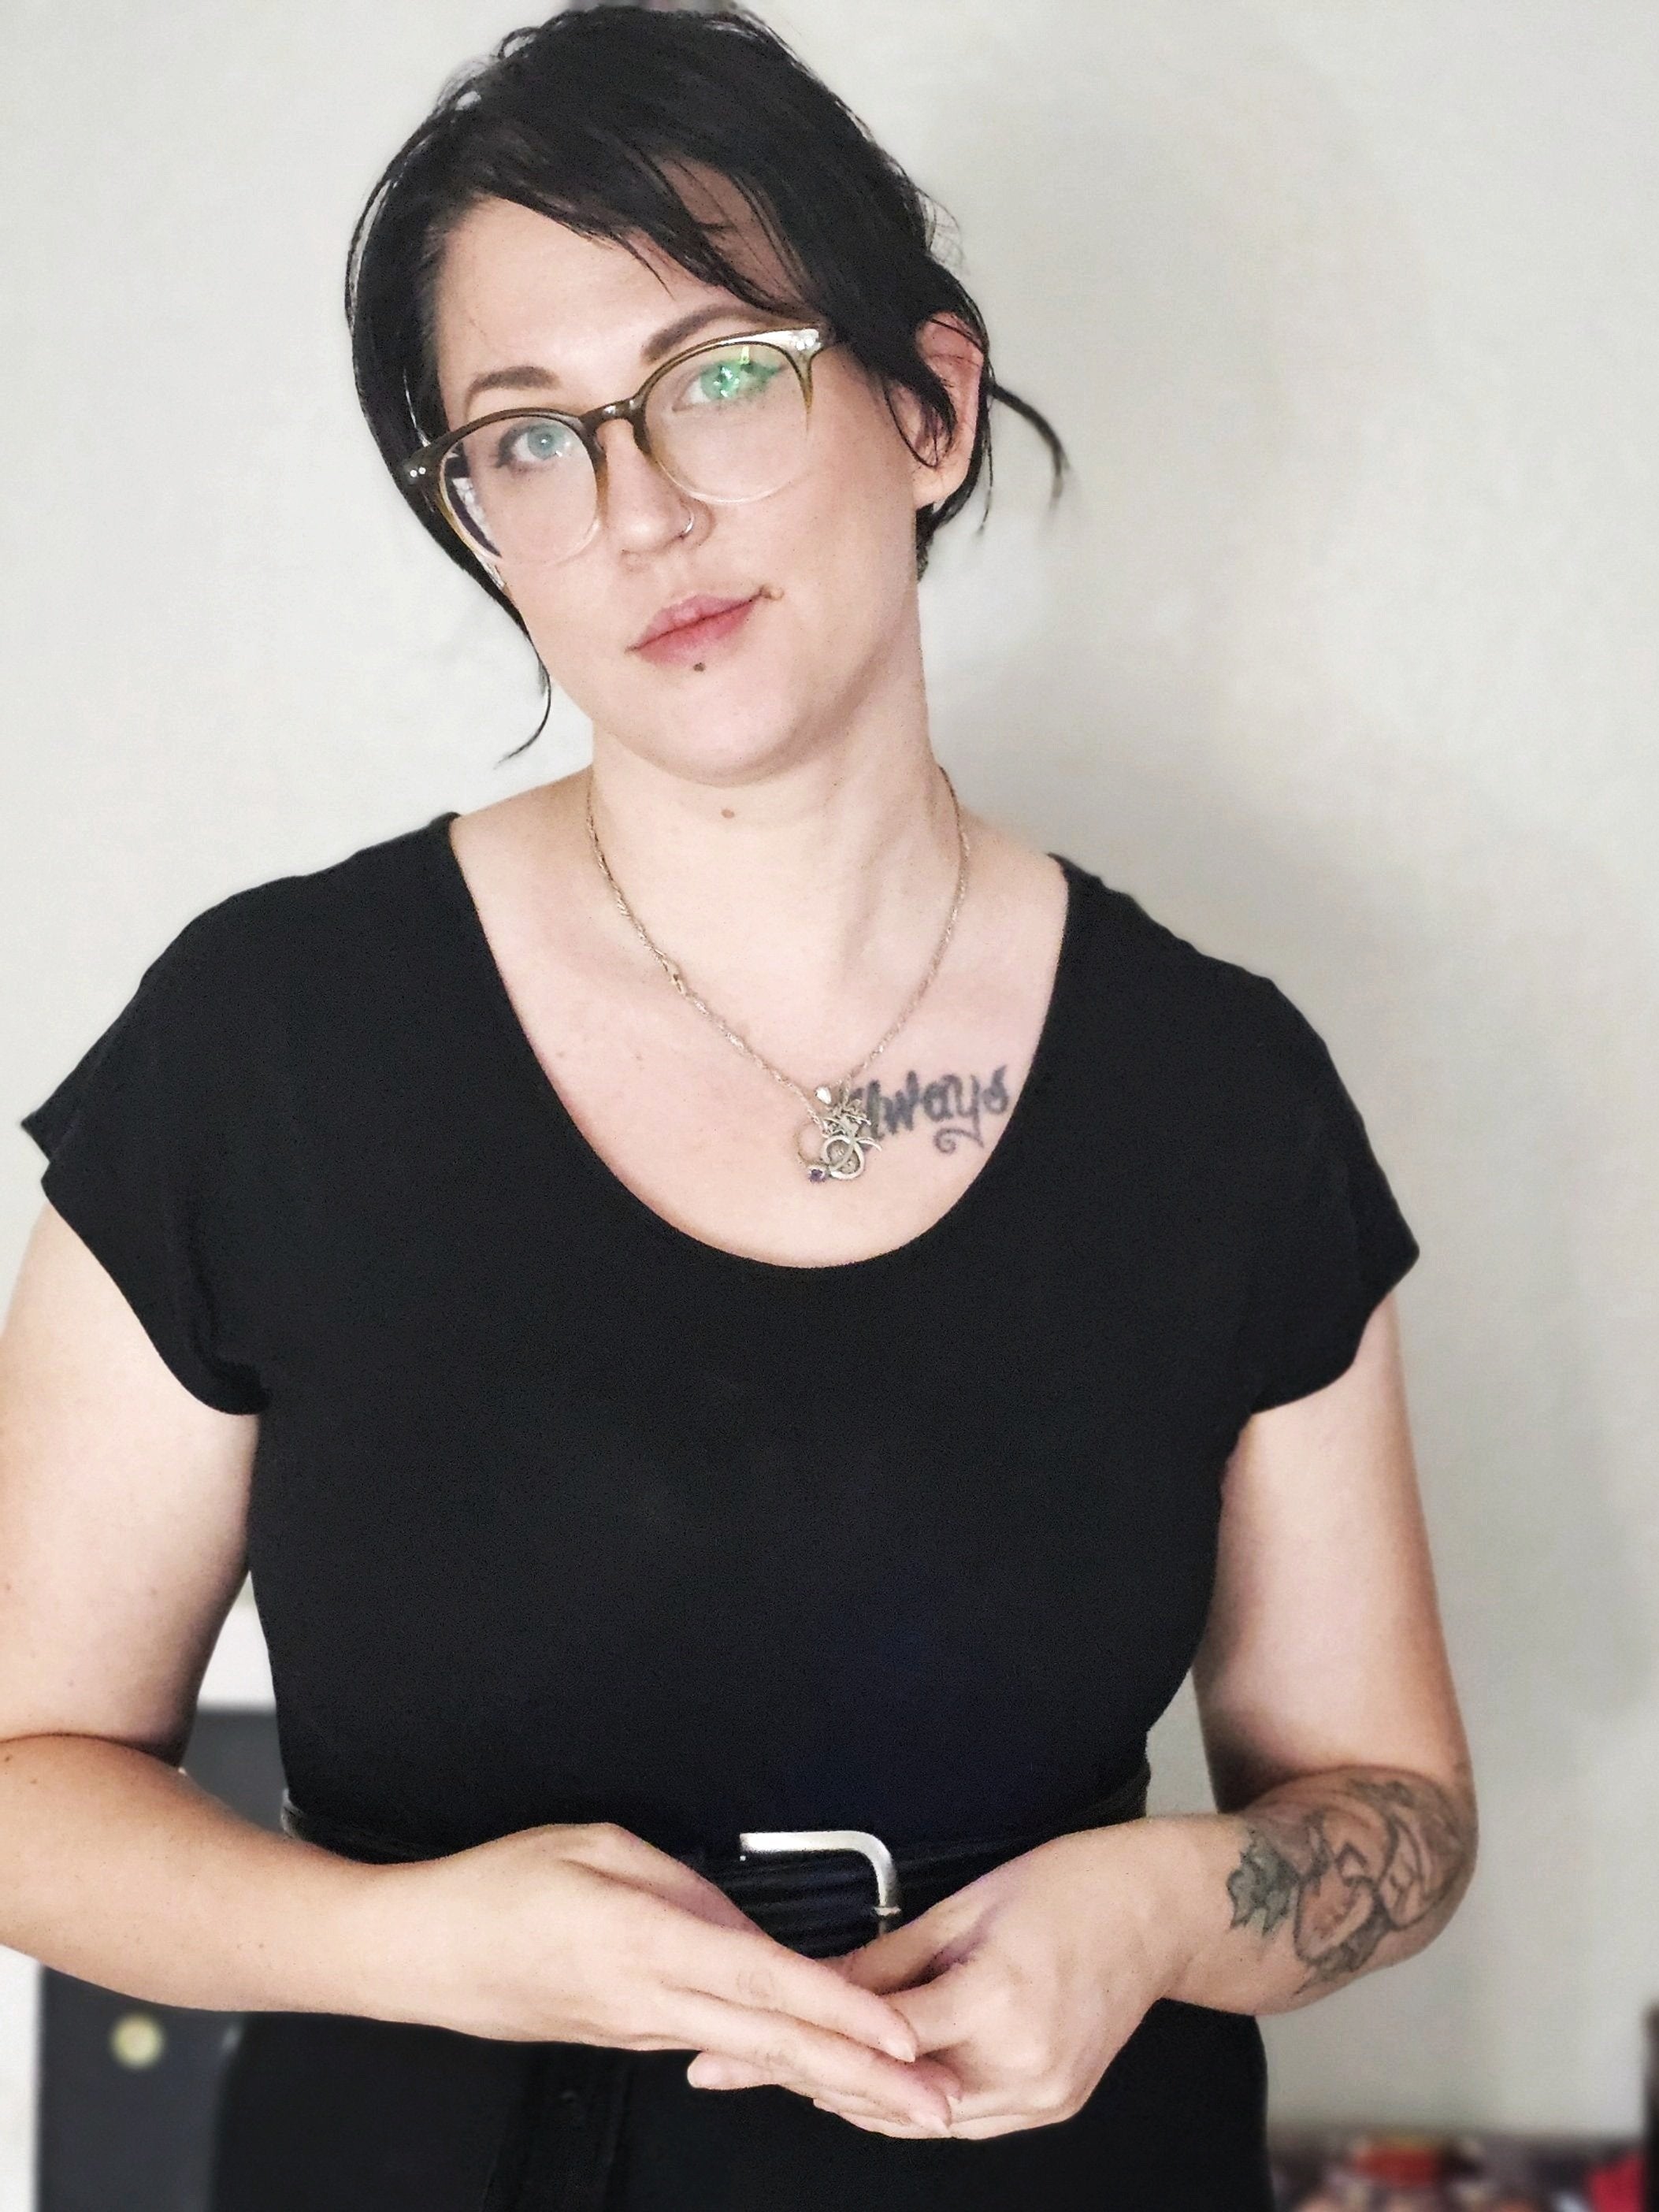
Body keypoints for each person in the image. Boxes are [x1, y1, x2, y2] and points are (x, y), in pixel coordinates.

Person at [0, 6, 1477, 2206]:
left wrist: (1156, 1908)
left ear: (929, 403)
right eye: (528, 436)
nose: (638, 504)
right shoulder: (270, 1049)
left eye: (718, 374)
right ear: (476, 520)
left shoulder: (1218, 1093)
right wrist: (419, 1944)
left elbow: (1391, 1809)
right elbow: (24, 1776)